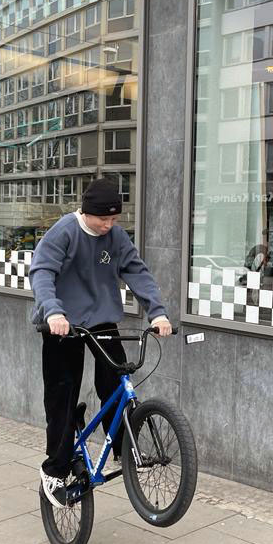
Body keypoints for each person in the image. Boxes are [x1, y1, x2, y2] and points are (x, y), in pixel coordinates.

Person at [29, 178, 171, 508]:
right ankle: (54, 469)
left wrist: (157, 313)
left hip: (101, 320)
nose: (108, 225)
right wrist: (52, 311)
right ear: (85, 212)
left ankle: (123, 446)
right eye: (102, 219)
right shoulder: (65, 231)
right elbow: (42, 272)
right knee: (62, 394)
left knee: (117, 380)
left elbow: (137, 271)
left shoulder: (116, 237)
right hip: (61, 323)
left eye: (114, 219)